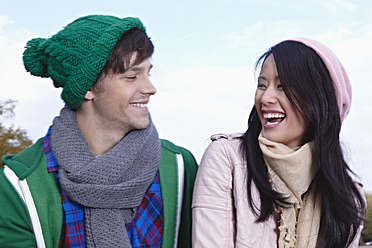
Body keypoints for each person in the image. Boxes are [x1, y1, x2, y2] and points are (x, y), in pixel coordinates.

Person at [0, 15, 198, 248]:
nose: (150, 88)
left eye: (148, 73)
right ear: (89, 88)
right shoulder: (19, 185)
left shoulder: (179, 167)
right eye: (132, 77)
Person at [192, 38, 366, 248]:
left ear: (321, 99)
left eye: (283, 86)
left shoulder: (348, 198)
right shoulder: (227, 159)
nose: (266, 98)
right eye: (262, 85)